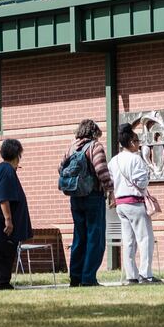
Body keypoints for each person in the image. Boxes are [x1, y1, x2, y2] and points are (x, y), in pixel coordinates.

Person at [110, 125, 162, 285]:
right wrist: (147, 176)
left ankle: (131, 275)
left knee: (129, 241)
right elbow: (141, 181)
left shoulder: (114, 161)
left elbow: (112, 181)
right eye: (137, 140)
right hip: (135, 202)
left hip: (121, 204)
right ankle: (146, 274)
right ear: (131, 142)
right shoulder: (135, 159)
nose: (139, 143)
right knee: (145, 238)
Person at [65, 119, 112, 287]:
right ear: (94, 132)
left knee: (79, 237)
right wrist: (110, 189)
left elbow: (60, 169)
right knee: (95, 238)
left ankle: (75, 277)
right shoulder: (95, 147)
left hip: (75, 197)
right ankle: (88, 278)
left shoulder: (71, 148)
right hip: (93, 196)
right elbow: (102, 171)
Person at [0, 138, 32, 290]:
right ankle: (2, 282)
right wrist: (8, 220)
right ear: (17, 154)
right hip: (0, 222)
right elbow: (4, 197)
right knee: (4, 253)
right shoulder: (8, 170)